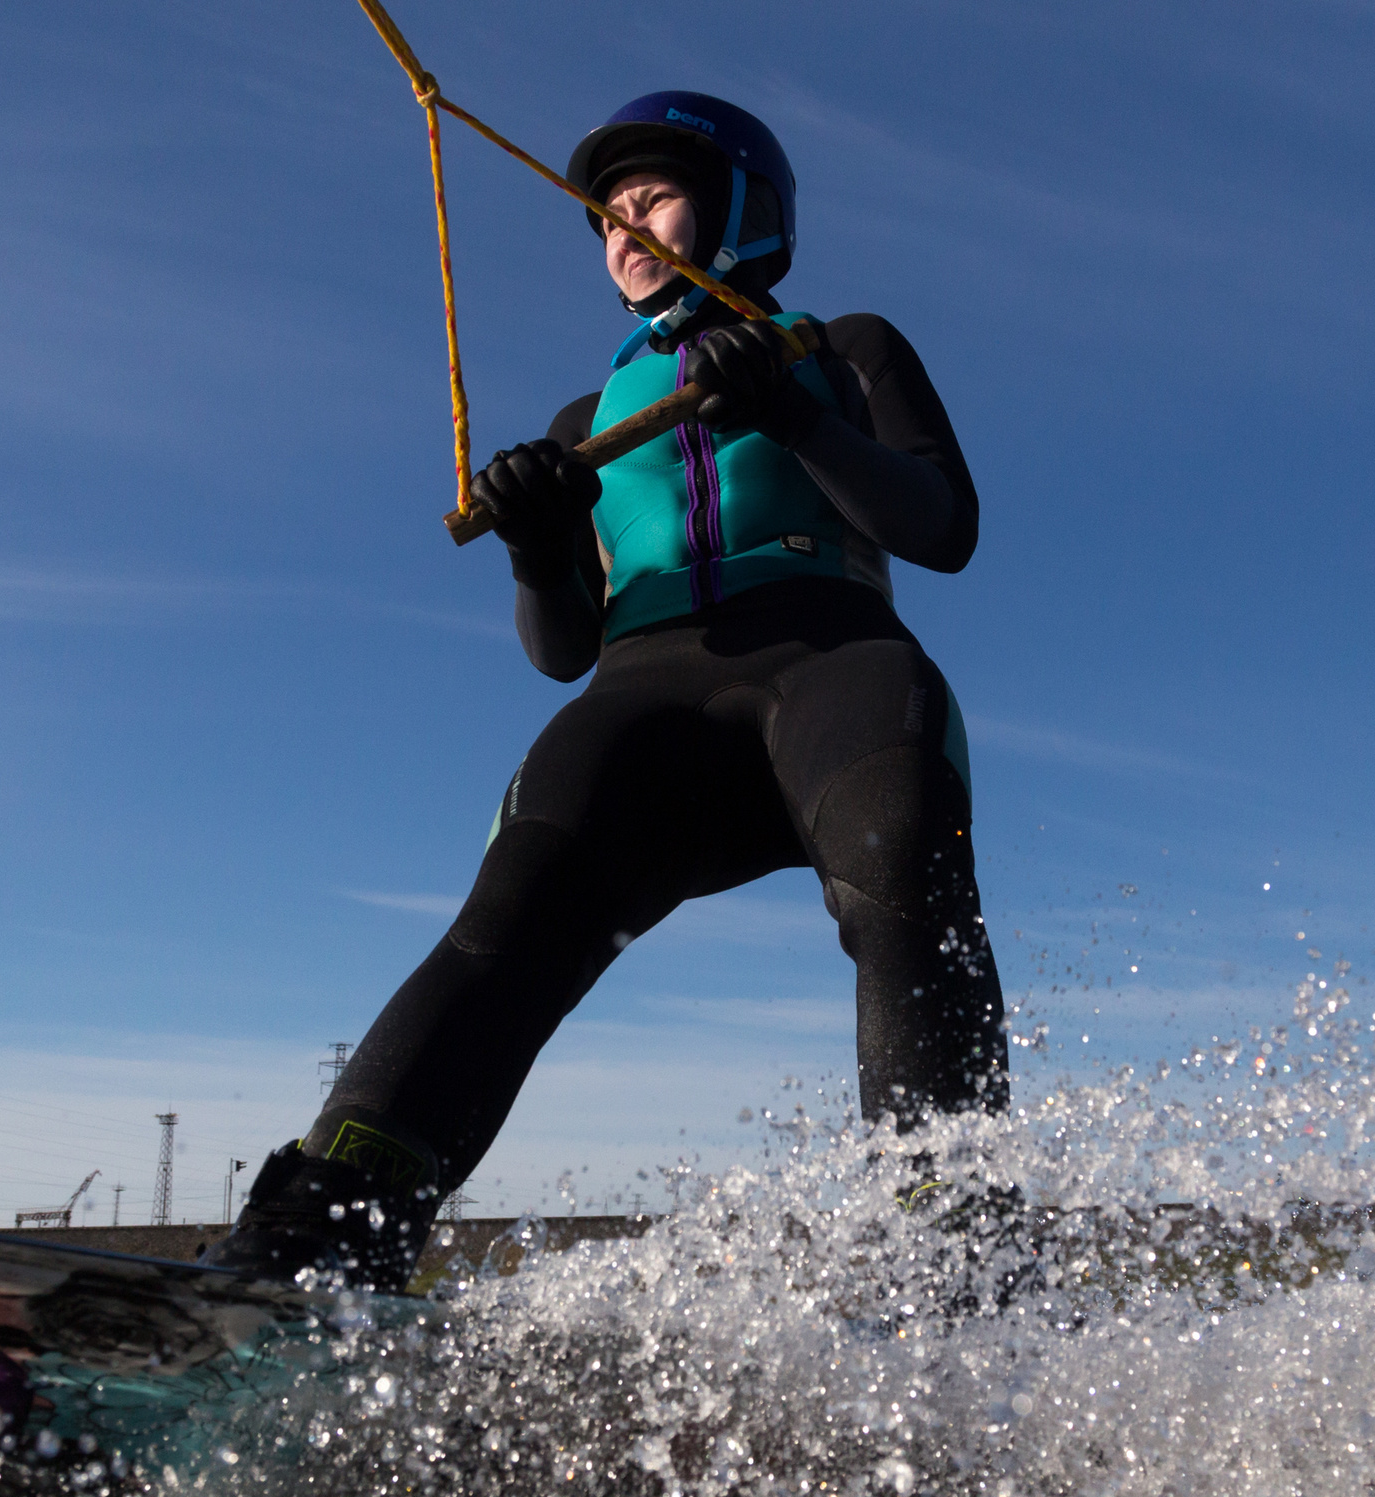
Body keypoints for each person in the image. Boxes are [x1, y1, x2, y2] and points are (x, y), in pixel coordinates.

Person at [208, 92, 1008, 1291]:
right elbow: (559, 649)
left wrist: (792, 414)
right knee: (508, 923)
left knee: (902, 872)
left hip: (828, 659)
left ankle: (949, 1251)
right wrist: (538, 541)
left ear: (741, 210)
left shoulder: (844, 349)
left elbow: (942, 528)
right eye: (605, 216)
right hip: (645, 697)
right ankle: (322, 1247)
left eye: (651, 200)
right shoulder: (585, 420)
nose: (622, 230)